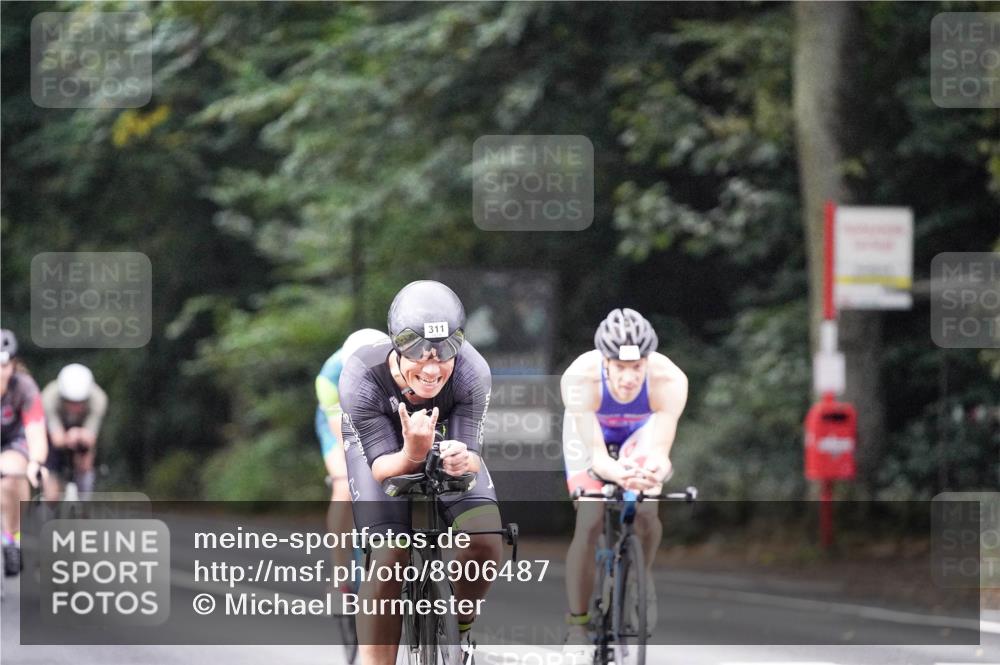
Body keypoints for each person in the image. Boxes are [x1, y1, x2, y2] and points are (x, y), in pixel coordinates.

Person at [339, 280, 501, 665]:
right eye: (419, 357)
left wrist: (463, 461)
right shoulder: (362, 374)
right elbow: (382, 469)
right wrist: (412, 450)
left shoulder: (471, 371)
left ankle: (460, 632)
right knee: (390, 553)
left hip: (443, 439)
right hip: (383, 449)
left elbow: (472, 455)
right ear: (396, 347)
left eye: (443, 355)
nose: (431, 369)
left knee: (486, 539)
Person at [560, 309, 688, 660]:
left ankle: (639, 577)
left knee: (647, 508)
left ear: (649, 361)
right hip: (591, 436)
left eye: (637, 367)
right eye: (620, 367)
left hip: (638, 431)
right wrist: (615, 474)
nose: (630, 377)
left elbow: (660, 453)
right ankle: (577, 626)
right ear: (605, 362)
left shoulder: (670, 380)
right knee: (590, 519)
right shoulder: (579, 378)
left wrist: (652, 475)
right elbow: (598, 460)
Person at [314, 328, 390, 590]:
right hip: (336, 420)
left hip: (377, 409)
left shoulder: (396, 360)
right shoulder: (329, 378)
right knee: (345, 485)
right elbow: (343, 435)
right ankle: (339, 576)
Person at [0, 329, 48, 576]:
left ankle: (11, 539)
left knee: (11, 474)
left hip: (13, 443)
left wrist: (35, 462)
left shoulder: (25, 388)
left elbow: (36, 432)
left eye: (3, 365)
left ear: (12, 366)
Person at [41, 363, 107, 501]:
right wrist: (67, 437)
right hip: (56, 435)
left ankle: (84, 503)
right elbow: (56, 438)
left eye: (79, 402)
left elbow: (90, 437)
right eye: (70, 402)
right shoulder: (48, 397)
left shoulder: (98, 399)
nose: (75, 407)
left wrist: (79, 436)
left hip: (82, 435)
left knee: (85, 461)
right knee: (51, 496)